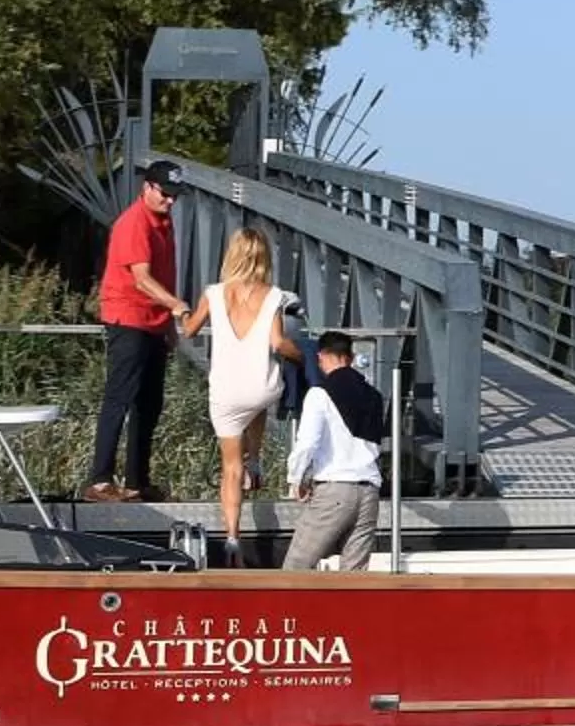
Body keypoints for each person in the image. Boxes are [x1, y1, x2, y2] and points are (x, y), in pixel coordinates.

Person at [179, 228, 303, 558]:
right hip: (262, 387)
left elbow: (188, 331)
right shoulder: (274, 295)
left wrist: (181, 311)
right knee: (258, 400)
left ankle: (233, 537)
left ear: (232, 256)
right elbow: (279, 343)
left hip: (225, 392)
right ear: (264, 258)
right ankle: (257, 459)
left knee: (231, 469)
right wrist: (304, 356)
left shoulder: (213, 293)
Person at [85, 159, 185, 502]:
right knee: (120, 396)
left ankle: (136, 481)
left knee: (149, 403)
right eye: (165, 193)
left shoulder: (165, 222)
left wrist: (168, 323)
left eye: (175, 195)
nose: (170, 200)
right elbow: (142, 279)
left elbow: (165, 274)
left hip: (154, 322)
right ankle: (100, 479)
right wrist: (176, 304)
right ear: (147, 187)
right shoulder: (134, 222)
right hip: (128, 317)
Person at [284, 331, 387, 571]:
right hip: (369, 491)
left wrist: (296, 478)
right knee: (353, 577)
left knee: (295, 569)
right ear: (350, 357)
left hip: (335, 490)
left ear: (321, 356)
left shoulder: (319, 393)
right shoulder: (375, 396)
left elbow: (307, 443)